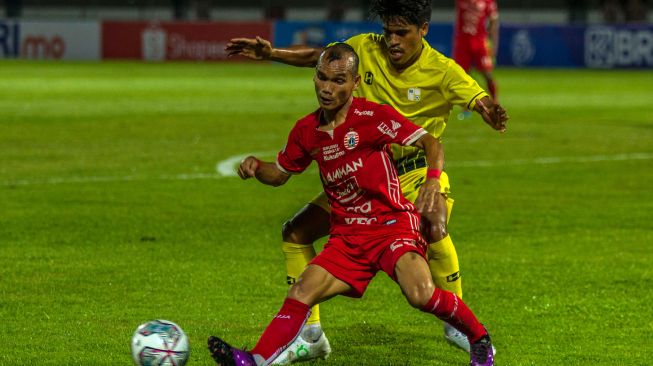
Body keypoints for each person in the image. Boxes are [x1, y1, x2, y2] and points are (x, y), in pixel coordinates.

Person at [225, 0, 508, 359]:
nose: (392, 40)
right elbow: (321, 57)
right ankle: (309, 335)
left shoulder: (443, 70)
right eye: (388, 31)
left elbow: (476, 99)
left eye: (401, 33)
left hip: (416, 169)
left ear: (423, 30)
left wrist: (488, 111)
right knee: (295, 232)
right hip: (360, 174)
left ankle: (457, 322)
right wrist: (271, 53)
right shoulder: (364, 48)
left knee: (433, 225)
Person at [452, 0, 500, 104]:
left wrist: (492, 42)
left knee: (487, 73)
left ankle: (495, 101)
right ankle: (466, 106)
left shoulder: (488, 2)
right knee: (462, 75)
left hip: (480, 41)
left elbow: (493, 21)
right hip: (462, 41)